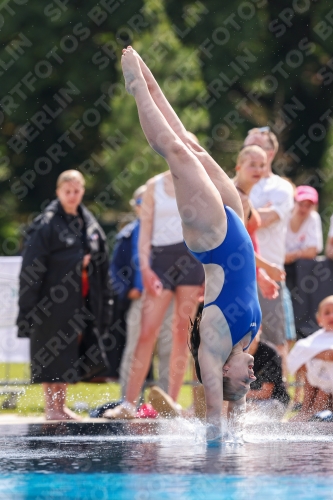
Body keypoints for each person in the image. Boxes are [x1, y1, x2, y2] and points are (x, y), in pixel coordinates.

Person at [105, 47, 260, 440]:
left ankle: (137, 87)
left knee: (175, 152)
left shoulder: (215, 347)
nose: (252, 378)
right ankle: (149, 76)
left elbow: (217, 416)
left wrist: (217, 429)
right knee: (193, 147)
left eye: (244, 381)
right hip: (235, 221)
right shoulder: (244, 344)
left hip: (213, 238)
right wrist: (236, 417)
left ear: (225, 372)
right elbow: (236, 411)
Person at [16, 170, 111, 420]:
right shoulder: (46, 224)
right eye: (67, 191)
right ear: (58, 192)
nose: (72, 196)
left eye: (76, 191)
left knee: (68, 351)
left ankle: (61, 406)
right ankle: (51, 408)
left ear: (82, 191)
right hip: (50, 301)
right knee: (51, 352)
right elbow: (32, 267)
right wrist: (28, 306)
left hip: (78, 300)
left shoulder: (86, 222)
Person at [111, 185, 173, 396]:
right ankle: (128, 401)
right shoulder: (128, 235)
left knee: (169, 349)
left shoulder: (169, 231)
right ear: (135, 206)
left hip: (170, 299)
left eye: (149, 201)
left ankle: (166, 402)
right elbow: (115, 268)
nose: (145, 205)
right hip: (141, 299)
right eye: (140, 202)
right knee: (135, 349)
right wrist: (128, 290)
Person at [245, 128, 294, 375]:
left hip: (270, 272)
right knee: (237, 340)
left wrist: (246, 210)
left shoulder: (281, 188)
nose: (252, 151)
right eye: (248, 146)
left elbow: (254, 221)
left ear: (271, 153)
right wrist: (255, 211)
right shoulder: (233, 185)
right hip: (240, 273)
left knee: (276, 340)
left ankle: (279, 398)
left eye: (258, 146)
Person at [284, 185, 323, 408]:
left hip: (304, 283)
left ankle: (302, 397)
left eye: (309, 204)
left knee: (302, 337)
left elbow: (312, 250)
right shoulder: (284, 217)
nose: (304, 208)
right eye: (301, 203)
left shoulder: (313, 219)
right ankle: (291, 393)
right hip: (285, 279)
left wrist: (291, 255)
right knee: (288, 338)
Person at [233, 146, 285, 300]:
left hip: (246, 274)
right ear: (238, 167)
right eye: (252, 164)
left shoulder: (244, 197)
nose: (258, 169)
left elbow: (249, 240)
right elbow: (238, 246)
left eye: (262, 165)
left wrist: (259, 274)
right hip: (235, 276)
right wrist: (267, 267)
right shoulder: (237, 198)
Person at [288, 296, 333, 421]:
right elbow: (299, 351)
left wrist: (313, 353)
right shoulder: (316, 339)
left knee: (323, 387)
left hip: (327, 388)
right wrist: (318, 355)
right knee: (310, 369)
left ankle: (314, 411)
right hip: (316, 385)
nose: (331, 316)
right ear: (319, 319)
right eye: (327, 313)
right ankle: (306, 409)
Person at [247, 330, 290, 419]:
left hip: (274, 401)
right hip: (248, 400)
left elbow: (266, 393)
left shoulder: (268, 353)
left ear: (260, 329)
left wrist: (237, 395)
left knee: (245, 410)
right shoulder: (236, 354)